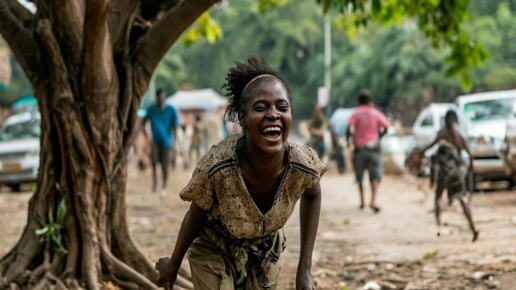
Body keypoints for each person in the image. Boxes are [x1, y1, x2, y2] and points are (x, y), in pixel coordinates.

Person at [155, 56, 327, 290]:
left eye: (282, 107)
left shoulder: (302, 164)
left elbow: (313, 193)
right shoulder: (218, 167)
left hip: (264, 253)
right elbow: (195, 215)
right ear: (242, 118)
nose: (274, 114)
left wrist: (304, 270)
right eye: (261, 107)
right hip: (214, 249)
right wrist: (173, 266)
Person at [418, 110, 479, 242]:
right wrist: (469, 172)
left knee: (438, 196)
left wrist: (420, 152)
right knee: (462, 199)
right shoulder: (460, 134)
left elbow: (431, 146)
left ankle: (438, 223)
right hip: (457, 172)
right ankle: (472, 227)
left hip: (445, 173)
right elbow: (470, 155)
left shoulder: (443, 133)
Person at [345, 90, 390, 212]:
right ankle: (373, 200)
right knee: (374, 176)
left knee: (359, 176)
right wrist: (378, 137)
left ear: (359, 101)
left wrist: (349, 141)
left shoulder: (355, 113)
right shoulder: (375, 112)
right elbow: (386, 126)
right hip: (373, 148)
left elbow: (349, 128)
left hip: (359, 150)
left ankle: (362, 201)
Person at [142, 88, 180, 196]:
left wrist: (174, 142)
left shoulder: (171, 110)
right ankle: (154, 184)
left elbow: (175, 127)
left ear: (165, 98)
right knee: (154, 163)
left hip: (167, 142)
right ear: (156, 98)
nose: (161, 100)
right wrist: (146, 134)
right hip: (155, 141)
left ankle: (164, 186)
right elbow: (144, 121)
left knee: (165, 165)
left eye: (163, 98)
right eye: (159, 98)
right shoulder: (151, 109)